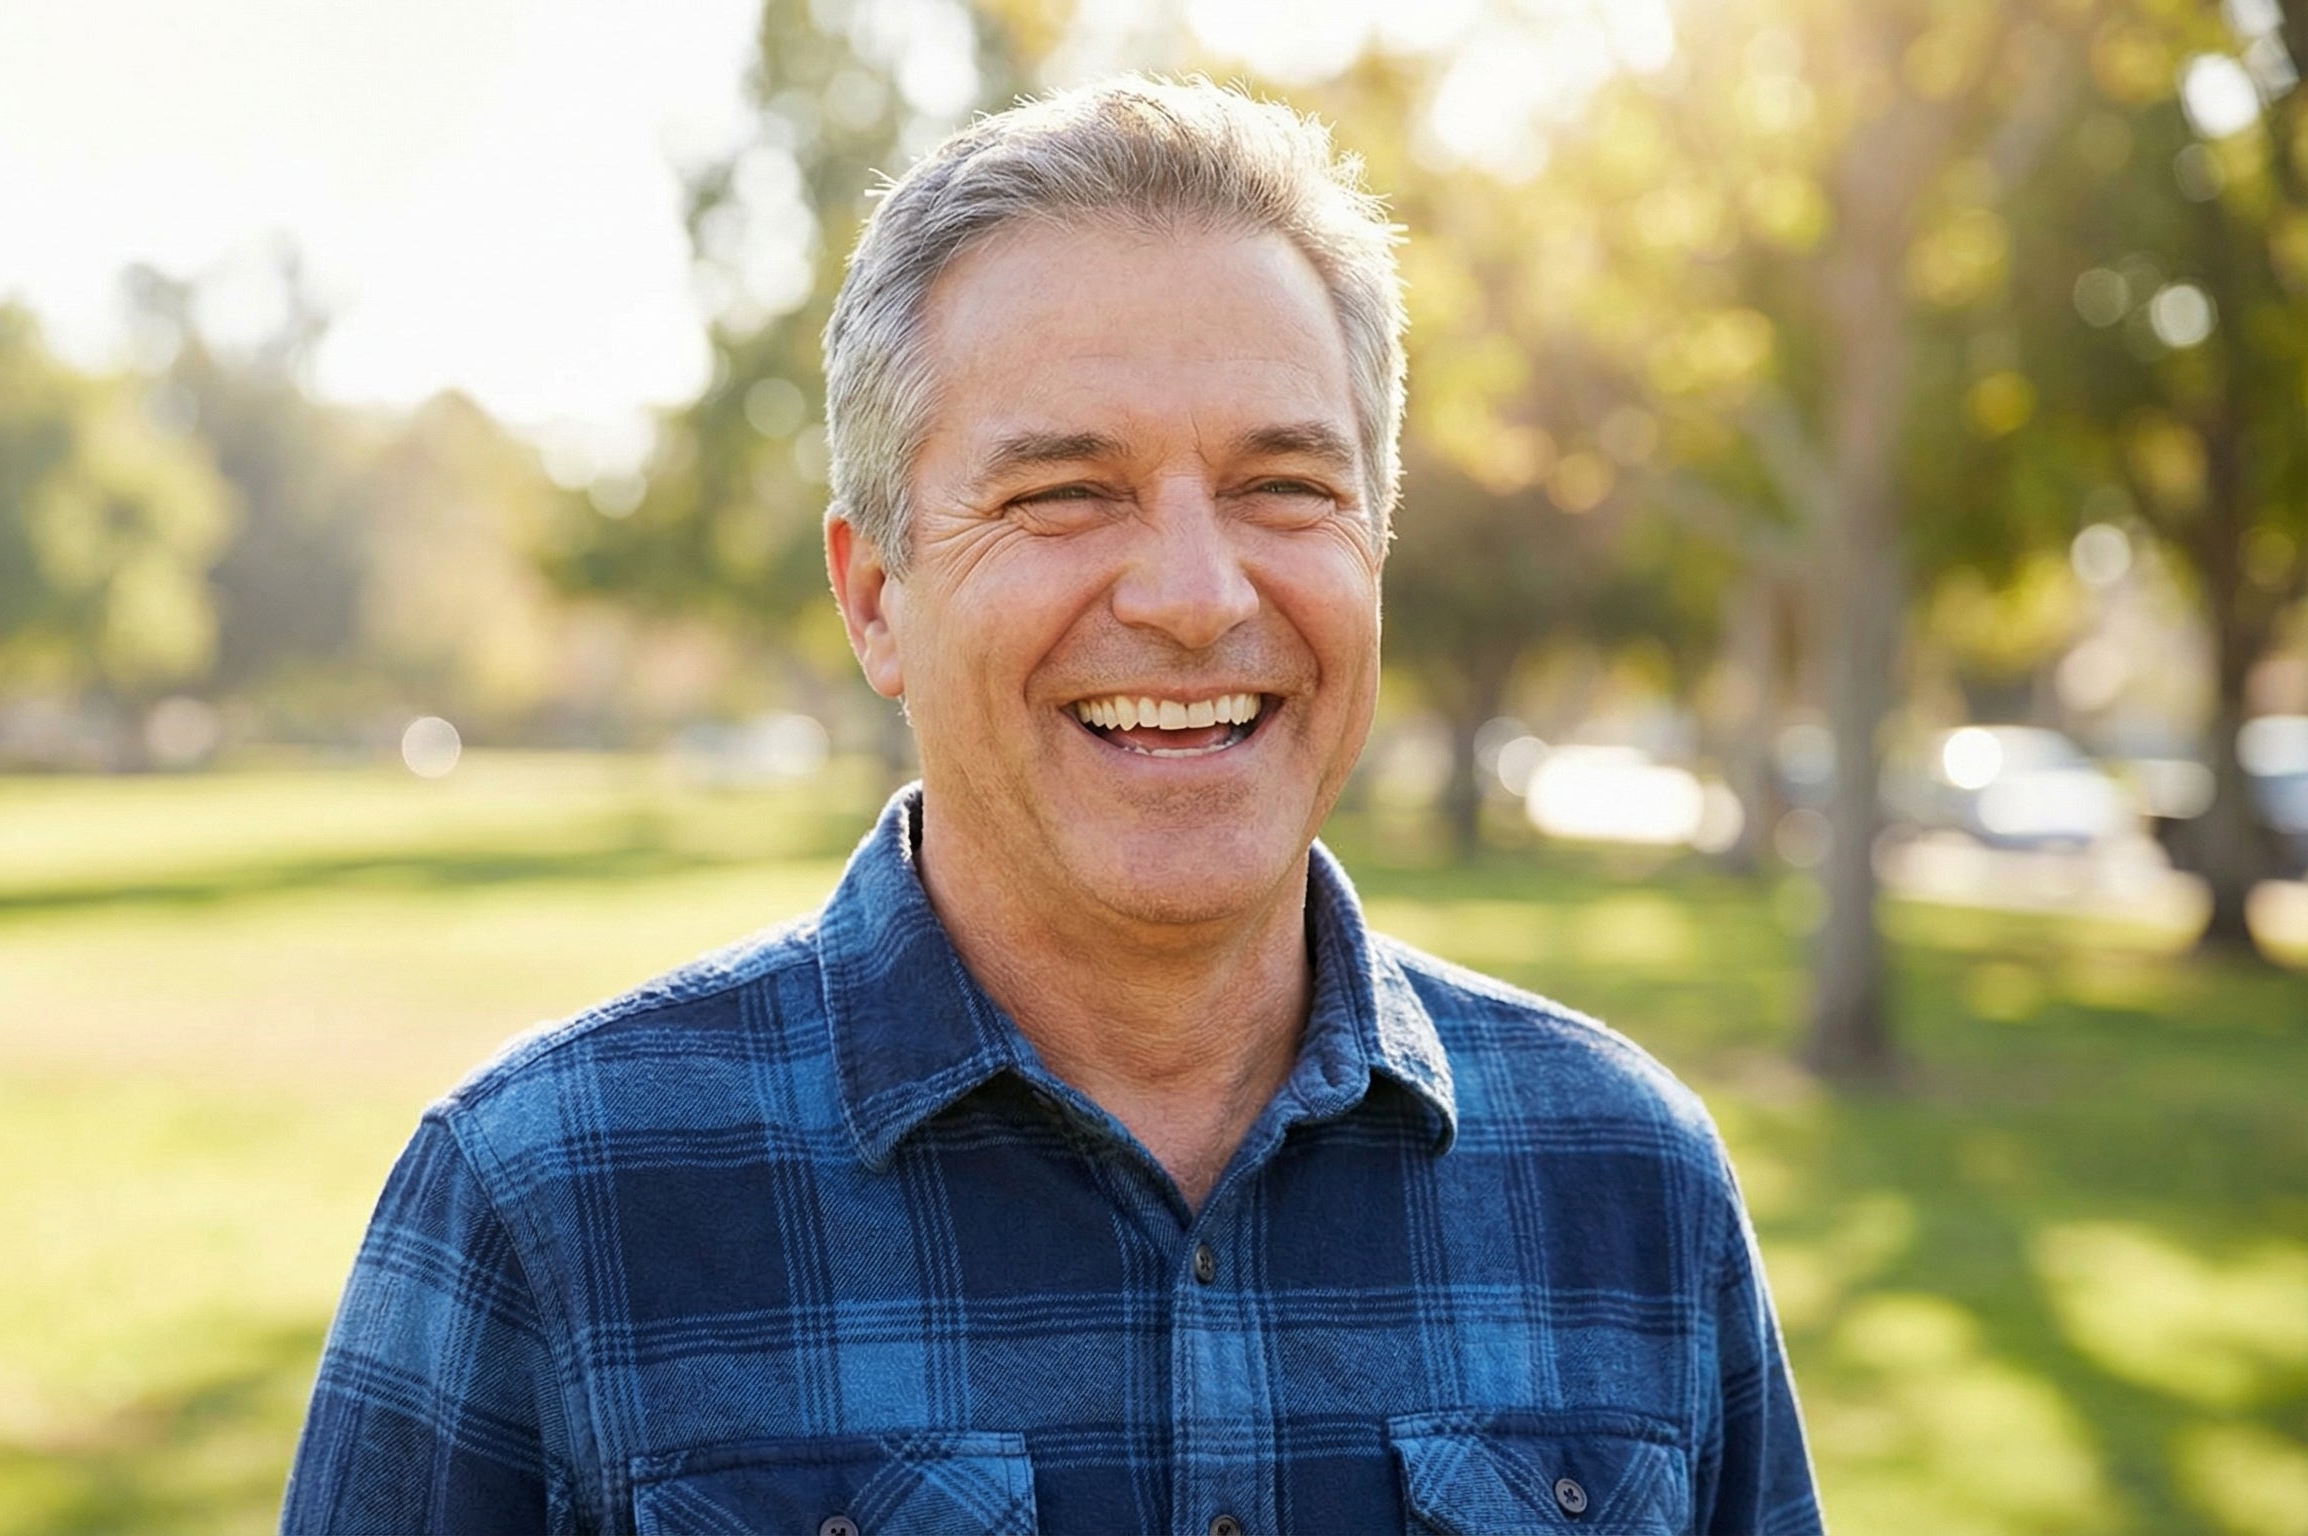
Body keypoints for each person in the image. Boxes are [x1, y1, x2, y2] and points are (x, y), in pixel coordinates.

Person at [282, 76, 1821, 1535]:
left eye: (1285, 486)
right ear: (877, 598)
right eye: (1065, 493)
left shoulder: (1631, 1186)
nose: (1196, 596)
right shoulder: (547, 1205)